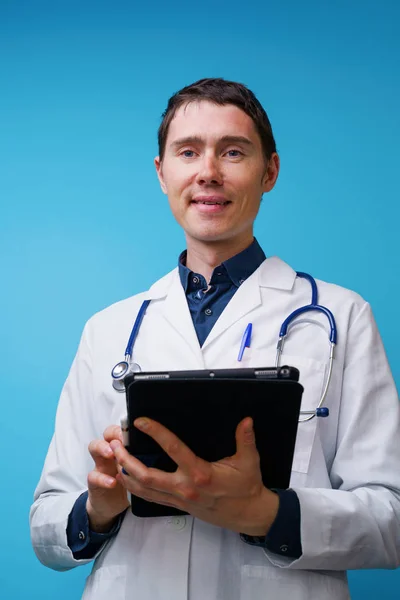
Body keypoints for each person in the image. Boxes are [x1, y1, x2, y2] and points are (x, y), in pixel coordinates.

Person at [30, 78, 400, 600]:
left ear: (269, 170)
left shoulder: (342, 316)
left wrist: (267, 514)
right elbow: (45, 527)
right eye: (188, 151)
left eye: (233, 152)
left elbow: (393, 516)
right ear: (162, 173)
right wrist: (99, 506)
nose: (208, 172)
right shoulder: (107, 329)